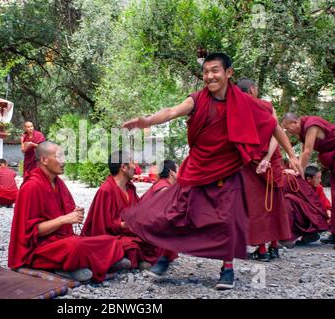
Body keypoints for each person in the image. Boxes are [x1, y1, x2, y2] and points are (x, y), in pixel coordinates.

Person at [121, 53, 302, 290]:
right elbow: (172, 111)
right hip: (197, 168)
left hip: (227, 172)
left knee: (227, 220)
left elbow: (273, 126)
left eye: (215, 70)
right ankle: (166, 255)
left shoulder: (245, 103)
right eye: (206, 72)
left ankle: (227, 270)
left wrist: (291, 154)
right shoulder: (197, 100)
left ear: (229, 73)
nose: (209, 76)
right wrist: (148, 121)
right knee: (178, 213)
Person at [8, 142, 130, 282]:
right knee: (75, 246)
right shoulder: (31, 187)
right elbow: (31, 232)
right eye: (59, 156)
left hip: (62, 240)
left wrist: (75, 213)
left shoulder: (58, 183)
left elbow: (66, 210)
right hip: (40, 249)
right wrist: (64, 219)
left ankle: (78, 266)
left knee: (109, 240)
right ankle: (72, 268)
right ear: (43, 160)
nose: (64, 161)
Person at [237, 78, 291, 261]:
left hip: (252, 162)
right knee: (274, 202)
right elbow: (276, 132)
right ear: (252, 89)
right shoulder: (267, 106)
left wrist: (260, 159)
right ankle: (274, 246)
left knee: (256, 205)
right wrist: (268, 157)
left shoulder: (236, 110)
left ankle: (262, 250)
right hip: (269, 159)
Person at [81, 151, 161, 269]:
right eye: (132, 162)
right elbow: (101, 227)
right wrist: (124, 224)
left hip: (129, 232)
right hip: (112, 235)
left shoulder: (130, 188)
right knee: (129, 245)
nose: (136, 166)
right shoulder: (106, 190)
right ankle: (123, 259)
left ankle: (129, 259)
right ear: (123, 167)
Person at [281, 113, 335, 246]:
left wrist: (298, 172)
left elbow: (307, 151)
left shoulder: (311, 125)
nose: (289, 132)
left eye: (288, 129)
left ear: (295, 122)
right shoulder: (302, 133)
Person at [141, 160, 179, 277]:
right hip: (146, 233)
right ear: (172, 172)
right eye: (179, 169)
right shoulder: (164, 188)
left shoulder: (164, 184)